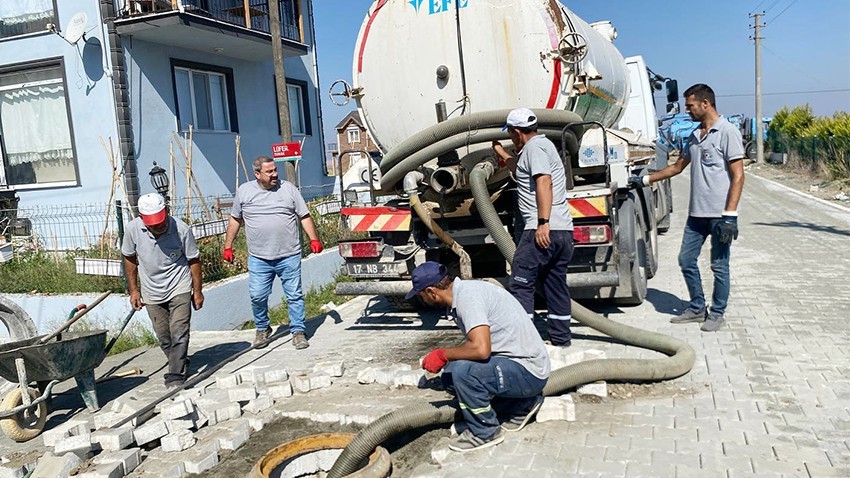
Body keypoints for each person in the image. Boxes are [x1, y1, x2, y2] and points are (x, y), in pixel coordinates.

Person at [628, 83, 745, 332]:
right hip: (696, 215)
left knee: (719, 266)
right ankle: (696, 307)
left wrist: (730, 216)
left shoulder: (727, 132)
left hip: (719, 216)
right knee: (686, 259)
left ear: (706, 104)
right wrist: (647, 179)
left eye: (690, 106)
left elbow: (738, 176)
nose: (687, 111)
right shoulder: (695, 135)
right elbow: (677, 167)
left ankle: (717, 313)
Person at [411, 261, 550, 453]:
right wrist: (447, 359)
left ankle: (485, 431)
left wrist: (442, 354)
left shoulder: (468, 298)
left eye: (421, 295)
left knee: (463, 372)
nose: (422, 300)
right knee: (450, 375)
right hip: (519, 366)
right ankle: (521, 404)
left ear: (432, 291)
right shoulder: (464, 293)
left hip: (528, 371)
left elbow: (480, 349)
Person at [492, 108, 574, 347]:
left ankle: (524, 344)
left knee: (521, 283)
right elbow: (521, 171)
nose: (510, 138)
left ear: (517, 133)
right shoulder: (541, 146)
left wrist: (542, 223)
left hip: (543, 228)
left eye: (510, 134)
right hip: (563, 231)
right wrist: (501, 153)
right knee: (554, 284)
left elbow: (543, 181)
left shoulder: (535, 149)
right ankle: (561, 339)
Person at [223, 156, 323, 349]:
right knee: (257, 295)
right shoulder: (245, 192)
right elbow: (235, 219)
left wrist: (314, 239)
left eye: (275, 170)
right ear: (257, 174)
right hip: (259, 258)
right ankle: (262, 328)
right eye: (269, 172)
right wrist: (228, 245)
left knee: (294, 295)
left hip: (289, 254)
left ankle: (298, 331)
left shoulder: (288, 189)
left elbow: (304, 215)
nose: (275, 174)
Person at [122, 193, 203, 389]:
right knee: (164, 336)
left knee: (179, 331)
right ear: (142, 218)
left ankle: (175, 375)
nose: (158, 227)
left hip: (179, 284)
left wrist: (197, 291)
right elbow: (130, 259)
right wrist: (134, 290)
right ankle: (180, 361)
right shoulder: (133, 229)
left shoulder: (181, 229)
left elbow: (194, 260)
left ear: (166, 212)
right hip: (151, 290)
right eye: (153, 224)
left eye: (160, 222)